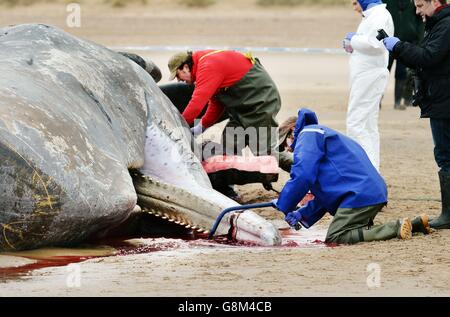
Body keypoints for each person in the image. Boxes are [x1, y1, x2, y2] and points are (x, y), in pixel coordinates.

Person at [272, 108, 430, 244]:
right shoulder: (319, 134)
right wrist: (302, 213)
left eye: (285, 144)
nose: (288, 150)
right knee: (356, 230)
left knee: (336, 236)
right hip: (368, 191)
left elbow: (302, 176)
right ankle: (415, 224)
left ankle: (396, 227)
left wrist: (284, 203)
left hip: (359, 195)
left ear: (292, 131)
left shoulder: (307, 135)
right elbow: (327, 194)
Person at [382, 0, 450, 229]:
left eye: (421, 5)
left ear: (436, 2)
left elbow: (428, 56)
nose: (417, 11)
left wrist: (398, 47)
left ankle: (448, 215)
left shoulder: (445, 24)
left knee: (445, 156)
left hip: (444, 100)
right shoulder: (438, 23)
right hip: (441, 98)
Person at [343, 0, 394, 170]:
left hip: (370, 76)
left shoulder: (379, 15)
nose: (353, 3)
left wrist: (354, 40)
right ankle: (371, 170)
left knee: (356, 123)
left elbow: (377, 43)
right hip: (367, 75)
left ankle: (361, 171)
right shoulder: (373, 16)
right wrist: (353, 46)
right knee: (367, 124)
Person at [383, 0, 425, 110]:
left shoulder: (414, 2)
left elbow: (421, 21)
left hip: (407, 43)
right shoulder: (385, 2)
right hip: (388, 43)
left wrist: (419, 39)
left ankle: (398, 102)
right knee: (383, 72)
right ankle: (377, 101)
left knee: (402, 74)